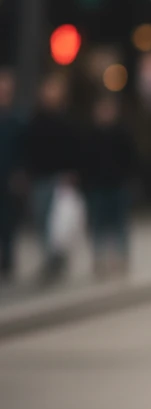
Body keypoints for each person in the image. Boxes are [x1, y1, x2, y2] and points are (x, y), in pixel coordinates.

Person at [22, 71, 81, 282]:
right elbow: (28, 147)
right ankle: (49, 258)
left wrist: (71, 171)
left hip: (59, 177)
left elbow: (74, 149)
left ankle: (57, 258)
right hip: (39, 176)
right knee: (41, 220)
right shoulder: (35, 119)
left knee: (59, 221)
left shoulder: (66, 120)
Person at [81, 93, 137, 277]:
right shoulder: (90, 135)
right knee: (98, 225)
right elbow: (85, 161)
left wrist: (127, 178)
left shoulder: (122, 133)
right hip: (98, 186)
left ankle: (121, 259)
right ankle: (100, 260)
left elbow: (131, 158)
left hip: (118, 185)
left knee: (120, 224)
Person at [0, 69, 24, 282]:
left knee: (8, 223)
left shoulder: (16, 119)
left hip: (8, 179)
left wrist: (19, 173)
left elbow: (22, 149)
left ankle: (7, 261)